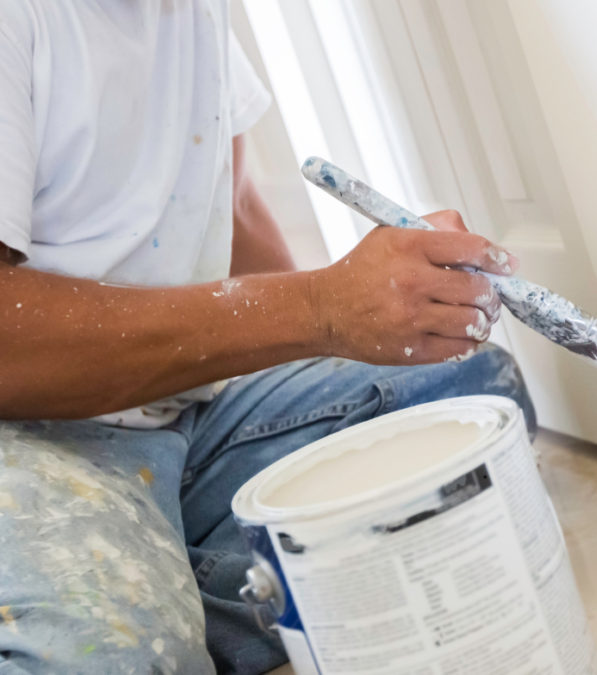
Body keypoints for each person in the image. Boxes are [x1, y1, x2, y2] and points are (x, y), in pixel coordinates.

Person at [0, 2, 535, 673]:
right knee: (114, 659)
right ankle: (131, 609)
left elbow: (237, 204)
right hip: (28, 435)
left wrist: (363, 321)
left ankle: (150, 579)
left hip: (177, 407)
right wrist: (324, 306)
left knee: (471, 407)